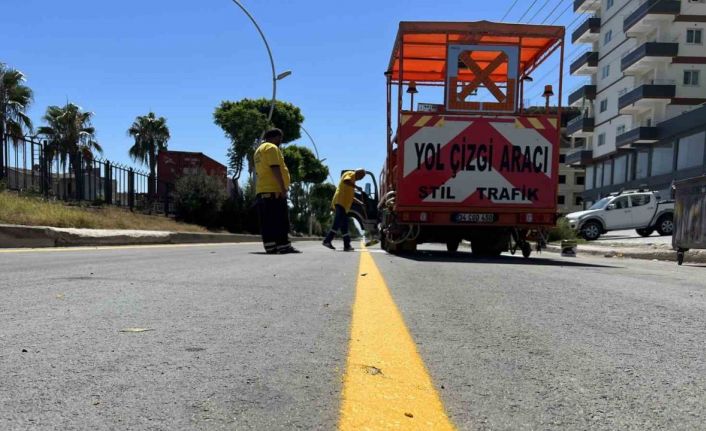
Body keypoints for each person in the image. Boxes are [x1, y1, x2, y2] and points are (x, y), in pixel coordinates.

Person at [254, 128, 301, 254]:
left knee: (268, 222)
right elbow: (275, 168)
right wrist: (282, 188)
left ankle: (270, 247)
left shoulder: (258, 151)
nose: (281, 141)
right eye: (280, 138)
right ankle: (283, 246)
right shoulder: (272, 148)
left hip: (262, 190)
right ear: (275, 137)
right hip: (274, 191)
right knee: (281, 221)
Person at [322, 169, 366, 251]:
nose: (361, 178)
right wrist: (356, 187)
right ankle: (327, 240)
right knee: (337, 222)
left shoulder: (352, 182)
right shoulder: (350, 174)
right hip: (340, 202)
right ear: (358, 173)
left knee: (344, 225)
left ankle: (347, 245)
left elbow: (351, 197)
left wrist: (360, 203)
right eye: (362, 176)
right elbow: (346, 181)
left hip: (344, 205)